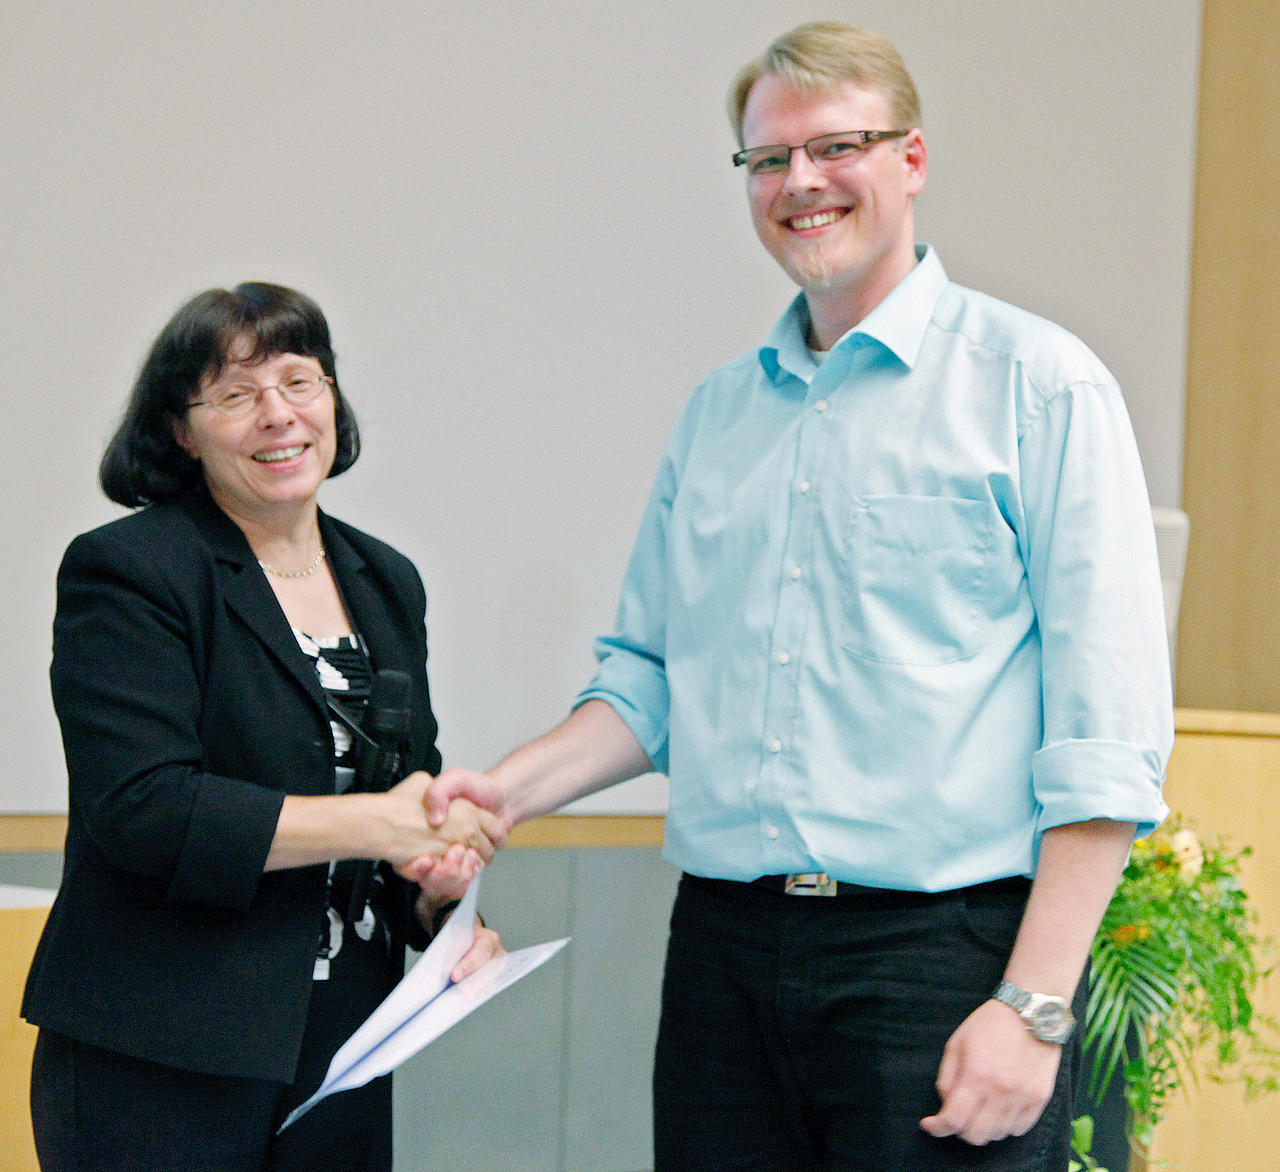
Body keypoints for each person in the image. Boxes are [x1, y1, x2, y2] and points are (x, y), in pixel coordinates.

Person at [414, 20, 1176, 1172]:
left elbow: (1103, 734)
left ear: (910, 158)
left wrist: (1031, 1003)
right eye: (767, 159)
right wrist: (502, 793)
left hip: (939, 955)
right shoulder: (719, 415)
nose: (798, 182)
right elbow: (650, 683)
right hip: (724, 953)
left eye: (834, 147)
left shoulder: (1037, 386)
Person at [22, 282, 504, 1172]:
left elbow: (404, 798)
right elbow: (145, 809)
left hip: (345, 1042)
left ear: (332, 399)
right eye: (236, 394)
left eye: (299, 381)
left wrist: (440, 900)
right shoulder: (130, 570)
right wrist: (379, 824)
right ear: (182, 431)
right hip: (165, 1047)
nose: (278, 415)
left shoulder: (384, 578)